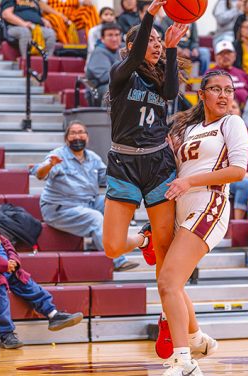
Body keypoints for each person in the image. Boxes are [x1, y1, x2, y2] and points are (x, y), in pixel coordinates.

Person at [158, 70, 248, 375]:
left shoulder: (232, 123)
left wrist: (191, 180)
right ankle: (197, 340)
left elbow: (238, 171)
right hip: (182, 205)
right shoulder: (191, 128)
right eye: (216, 89)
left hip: (210, 203)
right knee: (173, 282)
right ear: (203, 94)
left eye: (229, 90)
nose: (223, 95)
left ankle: (183, 361)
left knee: (168, 281)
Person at [0, 185, 84, 349]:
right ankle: (6, 334)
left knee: (26, 281)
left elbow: (5, 242)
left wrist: (13, 260)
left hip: (6, 266)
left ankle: (53, 315)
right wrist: (2, 264)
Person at [103, 1, 187, 266]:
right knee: (113, 247)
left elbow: (172, 93)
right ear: (132, 47)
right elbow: (137, 56)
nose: (157, 44)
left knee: (165, 248)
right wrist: (150, 14)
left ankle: (166, 307)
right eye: (150, 40)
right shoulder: (120, 74)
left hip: (158, 163)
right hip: (124, 162)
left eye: (158, 40)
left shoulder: (160, 78)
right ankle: (143, 240)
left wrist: (172, 49)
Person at [31, 121, 138, 272]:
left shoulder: (93, 158)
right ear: (66, 138)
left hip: (88, 203)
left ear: (87, 137)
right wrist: (50, 165)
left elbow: (108, 179)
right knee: (95, 218)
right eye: (72, 133)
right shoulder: (57, 156)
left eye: (81, 132)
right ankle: (117, 260)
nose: (77, 136)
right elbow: (40, 174)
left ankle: (99, 244)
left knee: (114, 204)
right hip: (60, 208)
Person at [207, 40, 248, 107]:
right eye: (221, 53)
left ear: (234, 55)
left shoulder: (242, 73)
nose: (225, 56)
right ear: (215, 57)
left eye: (228, 53)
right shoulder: (210, 74)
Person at [85, 23, 121, 105]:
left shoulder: (121, 49)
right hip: (97, 90)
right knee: (113, 89)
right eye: (110, 35)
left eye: (117, 35)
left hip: (113, 85)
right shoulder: (99, 52)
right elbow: (105, 77)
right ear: (102, 39)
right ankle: (106, 117)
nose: (114, 39)